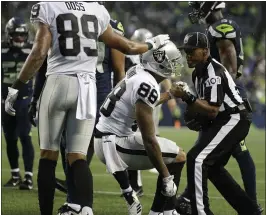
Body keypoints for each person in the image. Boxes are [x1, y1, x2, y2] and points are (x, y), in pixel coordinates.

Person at [4, 2, 170, 215]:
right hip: (87, 87)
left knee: (48, 154)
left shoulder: (47, 6)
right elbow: (127, 46)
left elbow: (39, 52)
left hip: (59, 81)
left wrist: (16, 86)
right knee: (78, 156)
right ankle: (86, 210)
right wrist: (151, 44)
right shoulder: (98, 10)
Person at [176, 2, 262, 214]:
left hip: (230, 103)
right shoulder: (200, 68)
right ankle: (249, 209)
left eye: (198, 3)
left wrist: (214, 92)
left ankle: (198, 204)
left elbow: (228, 70)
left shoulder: (220, 28)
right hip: (226, 100)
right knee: (211, 161)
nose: (195, 8)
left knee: (208, 155)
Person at [28, 18, 126, 198]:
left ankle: (75, 199)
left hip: (92, 89)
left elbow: (120, 69)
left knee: (75, 147)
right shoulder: (104, 22)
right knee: (73, 146)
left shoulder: (69, 18)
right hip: (84, 86)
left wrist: (119, 101)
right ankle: (77, 200)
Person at [94, 40, 186, 215]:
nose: (174, 66)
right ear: (160, 63)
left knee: (173, 154)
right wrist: (166, 176)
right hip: (115, 144)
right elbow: (149, 140)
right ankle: (161, 211)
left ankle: (165, 210)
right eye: (171, 62)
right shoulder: (147, 84)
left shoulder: (138, 72)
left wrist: (170, 94)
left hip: (105, 137)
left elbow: (141, 103)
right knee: (179, 156)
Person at [125, 29, 183, 197]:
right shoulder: (148, 54)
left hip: (145, 95)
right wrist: (170, 94)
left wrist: (170, 94)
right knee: (145, 135)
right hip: (146, 94)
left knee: (141, 136)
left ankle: (137, 182)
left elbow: (164, 72)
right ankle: (140, 177)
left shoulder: (138, 55)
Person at [1, 17, 35, 190]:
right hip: (5, 101)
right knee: (10, 139)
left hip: (24, 100)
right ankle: (15, 174)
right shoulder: (2, 49)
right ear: (9, 34)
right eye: (16, 35)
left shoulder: (32, 50)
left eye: (22, 35)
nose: (20, 39)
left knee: (24, 136)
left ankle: (28, 177)